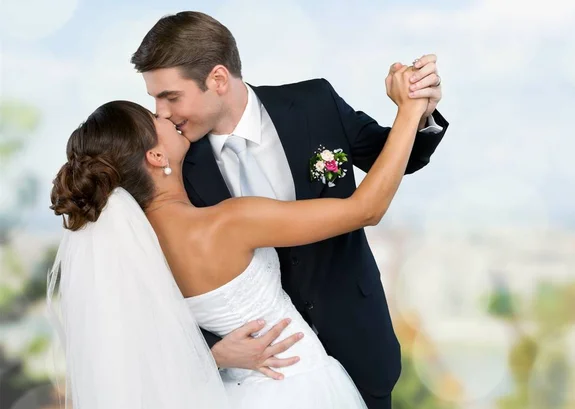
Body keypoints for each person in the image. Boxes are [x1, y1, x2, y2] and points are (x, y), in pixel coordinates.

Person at [49, 63, 431, 408]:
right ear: (156, 157)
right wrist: (409, 110)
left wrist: (210, 356)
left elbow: (133, 344)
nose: (167, 115)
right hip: (300, 385)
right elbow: (367, 208)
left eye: (167, 101)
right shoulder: (227, 223)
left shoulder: (136, 247)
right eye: (155, 116)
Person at [130, 10, 448, 409]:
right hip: (261, 380)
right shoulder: (173, 168)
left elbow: (395, 156)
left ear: (217, 79)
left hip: (359, 345)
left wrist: (420, 112)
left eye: (170, 96)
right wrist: (214, 351)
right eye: (155, 98)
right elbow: (161, 287)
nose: (160, 112)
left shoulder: (315, 102)